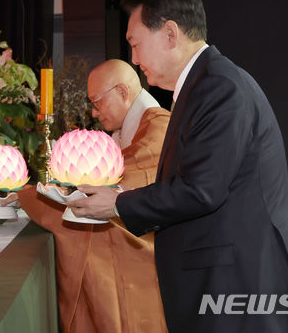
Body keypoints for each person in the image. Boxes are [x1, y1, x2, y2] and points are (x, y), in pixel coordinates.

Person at [68, 0, 288, 333]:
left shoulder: (218, 87)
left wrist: (118, 203)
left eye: (135, 44)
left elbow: (201, 190)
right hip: (226, 280)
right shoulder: (204, 85)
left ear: (170, 34)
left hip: (238, 287)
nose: (134, 59)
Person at [13, 59, 170, 333]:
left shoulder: (158, 126)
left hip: (143, 259)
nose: (95, 113)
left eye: (97, 102)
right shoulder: (129, 128)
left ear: (122, 91)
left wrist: (32, 197)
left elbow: (117, 186)